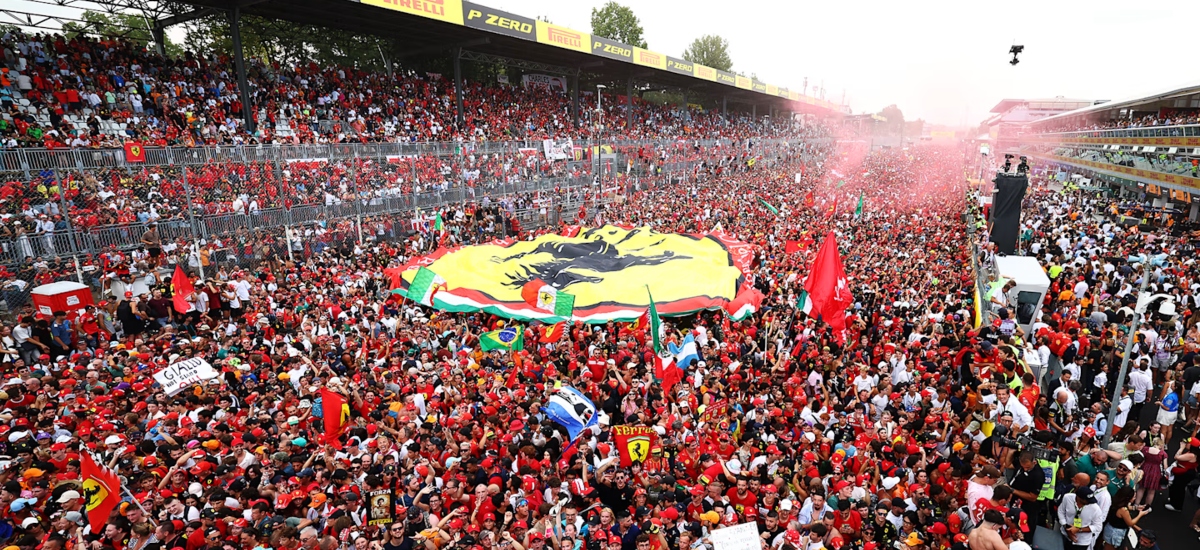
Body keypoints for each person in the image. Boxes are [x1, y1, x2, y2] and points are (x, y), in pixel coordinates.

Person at [1165, 437, 1200, 512]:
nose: (1186, 444)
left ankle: (1177, 506)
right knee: (1175, 486)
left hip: (1185, 473)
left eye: (1188, 443)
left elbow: (1176, 457)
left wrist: (1181, 448)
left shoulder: (1192, 455)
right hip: (1184, 472)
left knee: (1179, 488)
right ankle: (1173, 499)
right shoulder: (1191, 453)